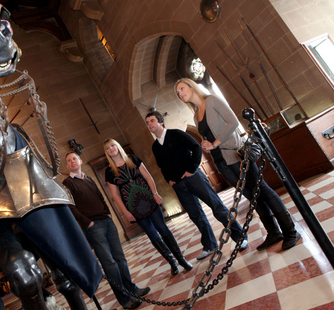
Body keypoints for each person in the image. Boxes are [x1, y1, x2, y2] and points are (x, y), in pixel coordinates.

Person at [175, 78, 301, 251]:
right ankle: (274, 233)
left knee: (262, 189)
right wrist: (207, 144)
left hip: (235, 154)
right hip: (221, 162)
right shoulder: (196, 115)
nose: (180, 93)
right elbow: (209, 136)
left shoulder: (211, 100)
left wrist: (216, 143)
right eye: (177, 92)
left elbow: (232, 122)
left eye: (182, 88)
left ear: (191, 86)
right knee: (252, 196)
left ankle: (291, 232)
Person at [145, 112, 248, 260]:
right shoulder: (155, 146)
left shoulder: (176, 134)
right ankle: (210, 245)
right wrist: (170, 180)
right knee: (196, 215)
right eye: (147, 122)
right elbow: (161, 166)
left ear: (161, 122)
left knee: (217, 206)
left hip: (194, 178)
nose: (150, 124)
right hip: (179, 186)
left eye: (152, 120)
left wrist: (191, 169)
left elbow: (196, 148)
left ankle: (239, 237)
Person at [63, 151, 150, 310]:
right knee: (109, 264)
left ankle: (131, 289)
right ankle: (124, 299)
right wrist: (87, 222)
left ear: (80, 161)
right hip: (93, 226)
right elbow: (70, 206)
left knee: (120, 258)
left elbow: (101, 197)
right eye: (69, 161)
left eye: (74, 158)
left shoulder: (89, 178)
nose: (72, 162)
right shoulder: (67, 183)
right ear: (67, 165)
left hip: (106, 221)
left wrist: (108, 213)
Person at [102, 139, 193, 273]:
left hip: (149, 199)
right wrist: (125, 212)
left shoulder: (132, 159)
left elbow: (148, 176)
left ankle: (181, 259)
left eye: (113, 145)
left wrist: (155, 193)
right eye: (108, 148)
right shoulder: (109, 171)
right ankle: (172, 262)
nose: (111, 149)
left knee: (162, 228)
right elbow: (115, 195)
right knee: (152, 234)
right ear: (107, 153)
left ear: (118, 146)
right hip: (133, 206)